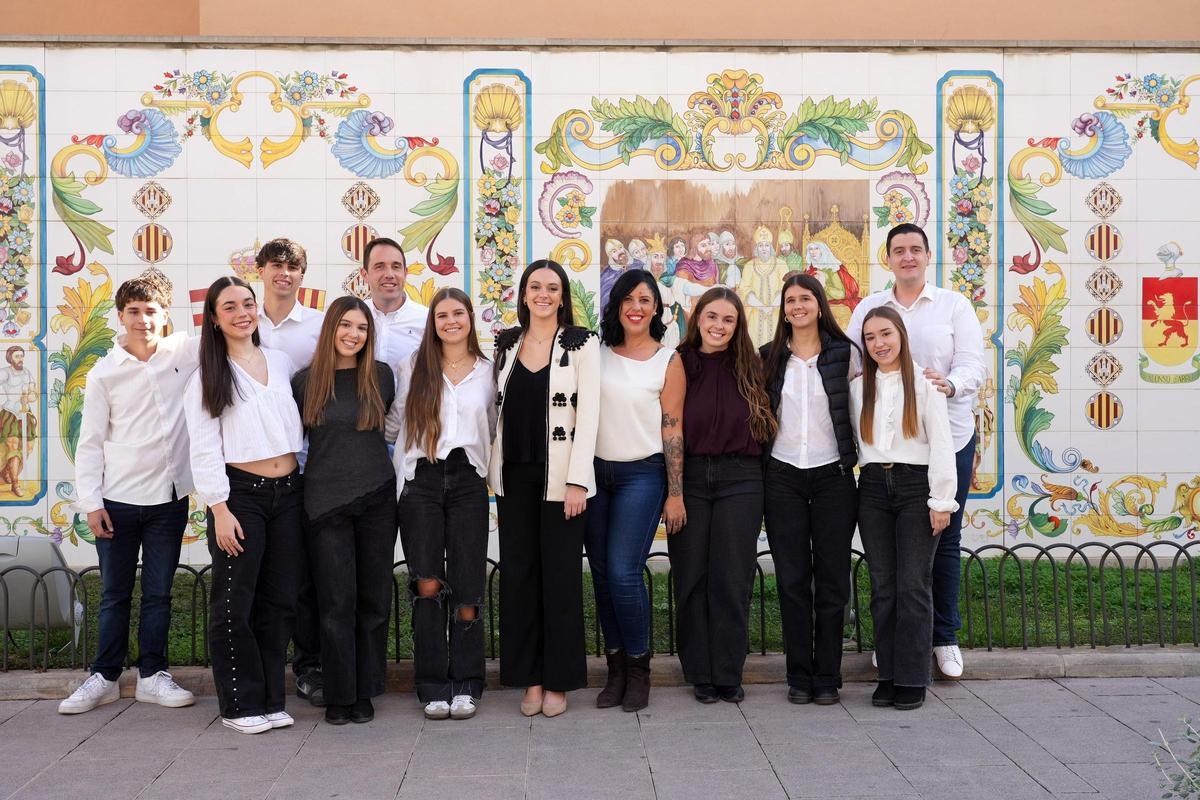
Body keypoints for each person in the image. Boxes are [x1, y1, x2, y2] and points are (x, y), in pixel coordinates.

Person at [846, 222, 985, 680]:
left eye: (915, 250)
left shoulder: (953, 305)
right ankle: (896, 643)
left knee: (942, 539)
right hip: (889, 447)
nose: (907, 257)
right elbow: (851, 367)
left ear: (928, 256)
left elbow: (972, 364)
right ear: (888, 258)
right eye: (899, 250)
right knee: (889, 560)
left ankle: (943, 637)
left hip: (949, 435)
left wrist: (950, 385)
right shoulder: (870, 308)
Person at [59, 277, 198, 715]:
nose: (143, 319)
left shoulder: (184, 353)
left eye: (151, 310)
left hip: (169, 499)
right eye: (134, 311)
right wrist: (92, 503)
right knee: (116, 593)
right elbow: (90, 442)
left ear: (165, 315)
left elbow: (226, 331)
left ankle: (152, 676)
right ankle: (104, 675)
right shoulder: (104, 372)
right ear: (121, 315)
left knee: (159, 592)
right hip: (117, 501)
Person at [184, 276, 304, 735]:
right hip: (241, 496)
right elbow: (204, 447)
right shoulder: (208, 376)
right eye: (229, 307)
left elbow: (294, 427)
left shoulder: (280, 360)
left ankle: (272, 698)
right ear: (214, 319)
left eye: (247, 304)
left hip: (289, 491)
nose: (241, 313)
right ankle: (239, 704)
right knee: (235, 602)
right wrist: (219, 508)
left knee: (279, 601)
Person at [488, 259, 600, 718]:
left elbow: (589, 413)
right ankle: (529, 678)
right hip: (513, 477)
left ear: (562, 295)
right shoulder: (507, 343)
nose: (543, 294)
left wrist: (577, 481)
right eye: (535, 286)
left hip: (561, 481)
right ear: (524, 292)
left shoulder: (581, 343)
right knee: (519, 578)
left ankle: (559, 679)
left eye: (552, 287)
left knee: (559, 580)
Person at [390, 288, 495, 721]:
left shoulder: (488, 372)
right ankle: (432, 683)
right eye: (442, 315)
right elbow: (395, 421)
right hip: (423, 481)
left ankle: (468, 682)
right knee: (428, 584)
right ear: (432, 322)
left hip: (468, 480)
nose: (450, 321)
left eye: (458, 313)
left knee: (468, 585)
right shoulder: (413, 367)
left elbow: (491, 425)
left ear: (470, 318)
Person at [292, 296, 396, 725]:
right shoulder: (305, 382)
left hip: (376, 496)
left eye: (362, 328)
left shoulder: (382, 377)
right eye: (346, 326)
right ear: (331, 328)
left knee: (373, 598)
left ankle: (365, 689)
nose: (353, 334)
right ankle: (339, 691)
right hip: (324, 501)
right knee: (335, 600)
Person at [670, 287, 775, 704]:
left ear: (738, 326)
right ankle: (700, 672)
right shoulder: (680, 362)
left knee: (732, 577)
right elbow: (671, 426)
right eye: (711, 317)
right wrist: (674, 493)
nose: (718, 326)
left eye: (728, 320)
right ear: (697, 319)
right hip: (692, 477)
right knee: (692, 575)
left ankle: (729, 670)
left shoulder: (754, 365)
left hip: (741, 477)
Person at [587, 270, 686, 713]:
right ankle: (616, 671)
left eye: (646, 299)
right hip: (593, 476)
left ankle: (639, 668)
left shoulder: (668, 361)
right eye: (628, 298)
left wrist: (675, 492)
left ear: (656, 309)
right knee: (604, 577)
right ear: (616, 305)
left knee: (625, 572)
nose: (637, 307)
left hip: (641, 476)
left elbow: (673, 429)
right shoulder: (596, 353)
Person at [851, 306, 957, 711]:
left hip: (916, 488)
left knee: (912, 584)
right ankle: (889, 674)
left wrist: (941, 500)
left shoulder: (925, 385)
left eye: (885, 334)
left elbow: (942, 443)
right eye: (871, 337)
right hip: (874, 487)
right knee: (883, 586)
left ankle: (913, 677)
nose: (879, 343)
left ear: (901, 335)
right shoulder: (860, 388)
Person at [760, 273, 858, 706]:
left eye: (805, 298)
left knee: (833, 580)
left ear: (820, 304)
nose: (797, 306)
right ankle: (799, 675)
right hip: (782, 477)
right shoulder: (769, 357)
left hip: (833, 477)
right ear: (783, 309)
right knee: (793, 579)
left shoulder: (846, 355)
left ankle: (828, 675)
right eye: (790, 300)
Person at [252, 238, 327, 708]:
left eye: (293, 266)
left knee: (306, 574)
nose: (284, 273)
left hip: (307, 464)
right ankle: (260, 666)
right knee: (260, 574)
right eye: (276, 265)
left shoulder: (317, 327)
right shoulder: (239, 320)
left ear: (303, 274)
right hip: (252, 470)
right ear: (259, 270)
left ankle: (310, 666)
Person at [359, 237, 428, 373]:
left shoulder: (427, 320)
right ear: (365, 274)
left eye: (396, 267)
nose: (389, 274)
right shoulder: (354, 317)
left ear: (405, 273)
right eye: (379, 267)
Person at [739, 225, 789, 347]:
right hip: (755, 313)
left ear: (771, 247)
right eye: (760, 246)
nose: (764, 249)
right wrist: (762, 307)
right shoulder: (749, 266)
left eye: (766, 245)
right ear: (756, 248)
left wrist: (771, 307)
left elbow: (785, 288)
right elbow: (744, 289)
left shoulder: (781, 264)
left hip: (777, 312)